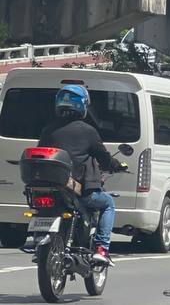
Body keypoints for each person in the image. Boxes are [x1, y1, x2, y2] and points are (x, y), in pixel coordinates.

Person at [38, 85, 128, 265]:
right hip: (79, 190)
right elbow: (104, 158)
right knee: (108, 203)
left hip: (51, 187)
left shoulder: (48, 129)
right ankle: (101, 248)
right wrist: (117, 165)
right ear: (82, 105)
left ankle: (40, 241)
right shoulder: (88, 131)